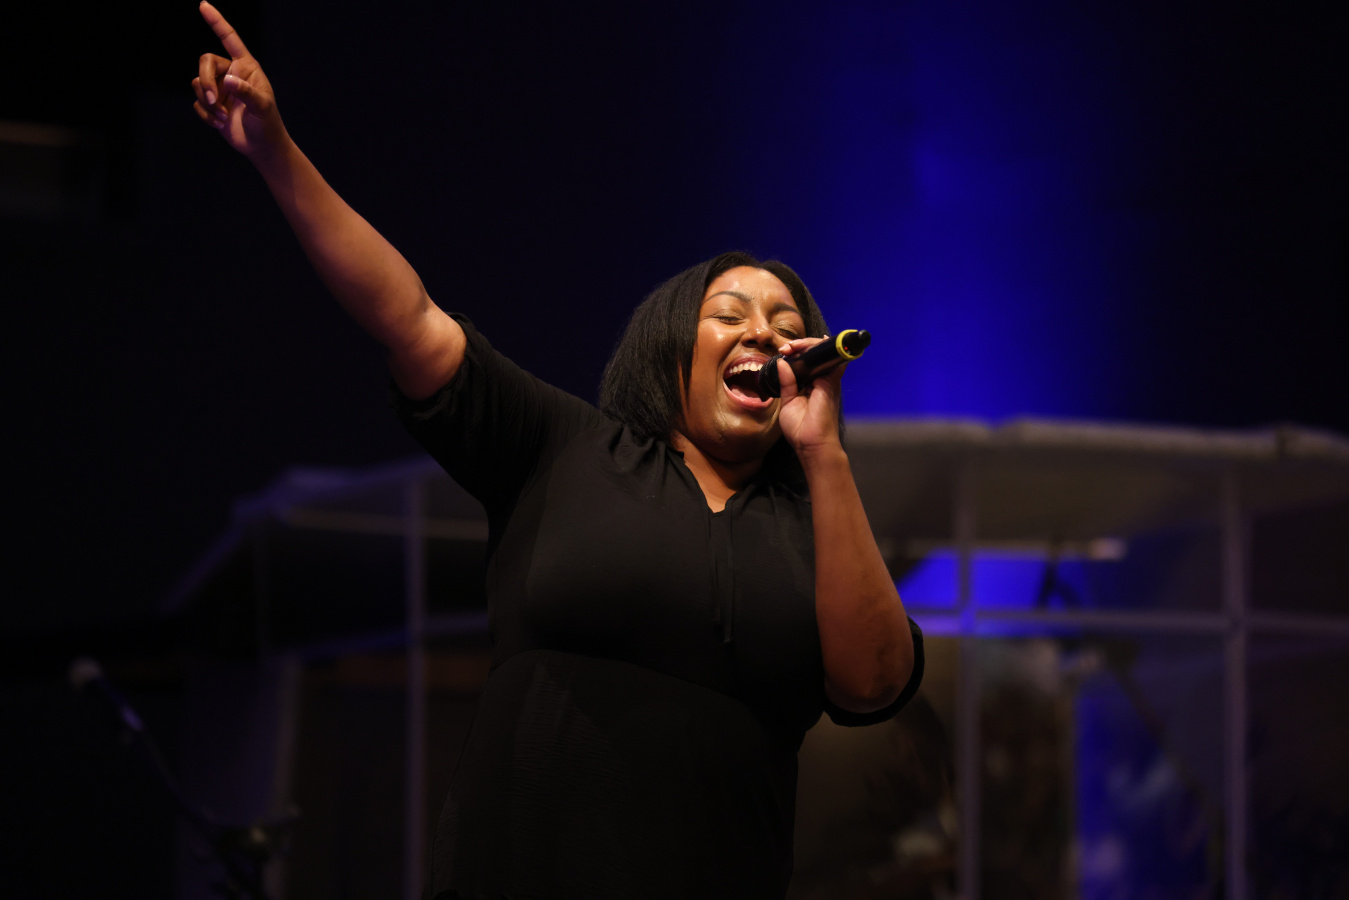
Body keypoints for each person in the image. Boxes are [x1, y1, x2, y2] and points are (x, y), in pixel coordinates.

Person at [191, 3, 923, 897]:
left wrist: (825, 455)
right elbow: (408, 317)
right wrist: (276, 152)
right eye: (729, 315)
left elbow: (873, 684)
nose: (764, 334)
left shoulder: (811, 529)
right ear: (668, 349)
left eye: (783, 324)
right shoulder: (567, 450)